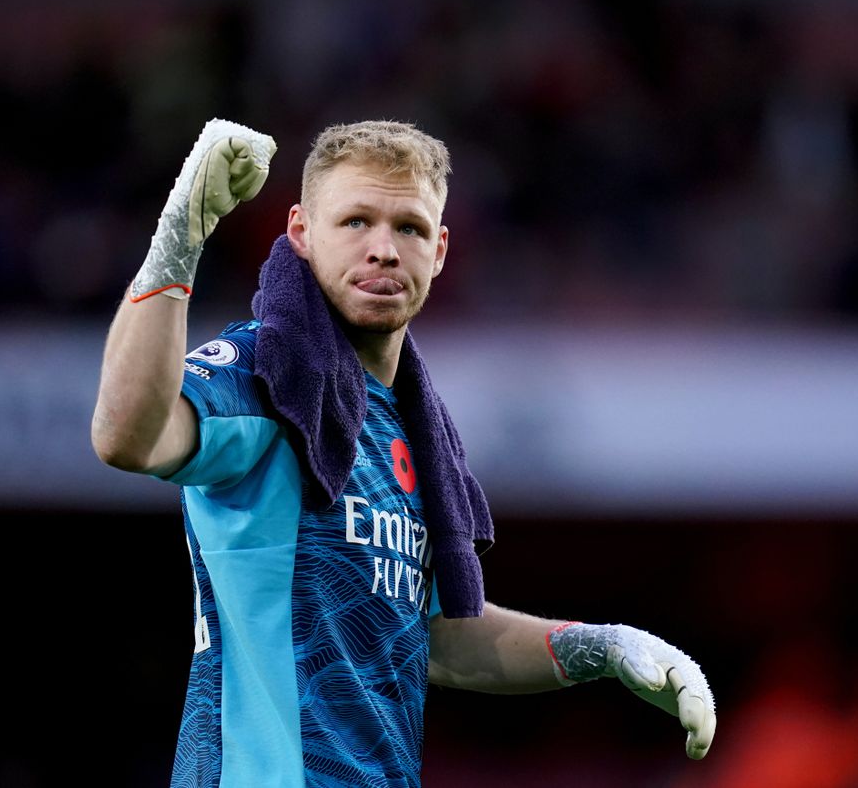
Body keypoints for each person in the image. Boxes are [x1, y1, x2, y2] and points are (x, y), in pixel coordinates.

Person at [91, 118, 716, 787]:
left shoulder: (412, 429)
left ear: (440, 249)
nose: (384, 248)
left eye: (410, 228)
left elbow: (437, 635)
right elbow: (127, 436)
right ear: (300, 233)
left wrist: (605, 645)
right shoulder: (263, 376)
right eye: (356, 221)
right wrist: (180, 234)